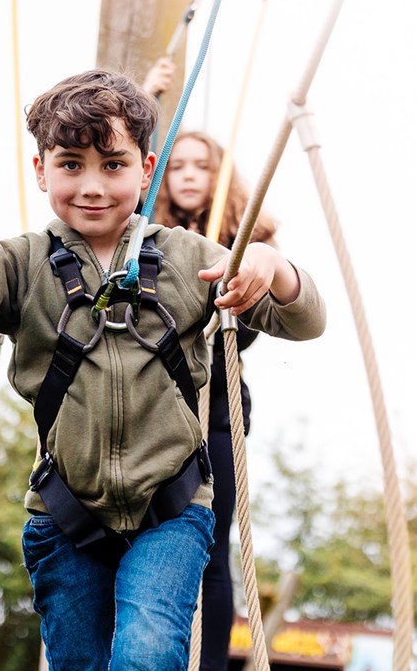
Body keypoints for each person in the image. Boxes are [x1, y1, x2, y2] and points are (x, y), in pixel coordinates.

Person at [0, 69, 326, 670]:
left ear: (147, 171)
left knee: (147, 654)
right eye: (71, 165)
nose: (92, 186)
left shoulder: (188, 259)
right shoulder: (24, 263)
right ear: (41, 170)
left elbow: (305, 321)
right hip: (66, 517)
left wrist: (270, 265)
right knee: (77, 663)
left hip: (171, 512)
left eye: (113, 166)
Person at [145, 58, 278, 671]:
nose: (190, 175)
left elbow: (255, 325)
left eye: (203, 165)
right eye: (178, 165)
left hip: (217, 404)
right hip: (151, 407)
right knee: (141, 541)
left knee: (209, 545)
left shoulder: (248, 242)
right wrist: (145, 100)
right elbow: (118, 177)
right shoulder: (146, 237)